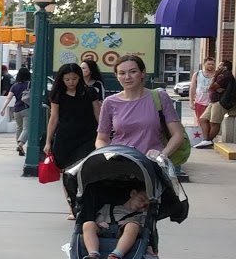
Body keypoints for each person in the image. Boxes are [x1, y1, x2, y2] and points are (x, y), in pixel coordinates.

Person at [96, 54, 187, 186]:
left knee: (153, 204)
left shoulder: (159, 97)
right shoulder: (110, 103)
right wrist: (108, 155)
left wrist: (162, 155)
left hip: (153, 167)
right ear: (116, 76)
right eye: (122, 73)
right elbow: (101, 138)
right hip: (120, 168)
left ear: (142, 73)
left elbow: (177, 135)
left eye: (133, 72)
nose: (127, 77)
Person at [45, 63, 101, 216]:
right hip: (65, 138)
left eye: (75, 79)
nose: (71, 82)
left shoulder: (89, 92)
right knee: (68, 173)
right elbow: (54, 118)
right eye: (67, 79)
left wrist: (104, 133)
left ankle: (85, 203)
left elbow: (98, 113)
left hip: (87, 137)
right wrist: (48, 141)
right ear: (61, 79)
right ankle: (73, 205)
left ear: (80, 78)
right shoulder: (58, 95)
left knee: (82, 170)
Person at [80, 185, 149, 259]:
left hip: (125, 232)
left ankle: (116, 256)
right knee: (88, 224)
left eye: (146, 206)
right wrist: (99, 223)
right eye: (142, 199)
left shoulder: (142, 215)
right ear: (133, 193)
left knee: (133, 226)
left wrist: (131, 222)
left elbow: (143, 229)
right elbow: (99, 219)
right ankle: (93, 255)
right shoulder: (108, 207)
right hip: (104, 229)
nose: (142, 205)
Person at [197, 60, 235, 147]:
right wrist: (214, 86)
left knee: (214, 123)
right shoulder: (221, 76)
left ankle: (208, 141)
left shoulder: (226, 76)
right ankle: (206, 140)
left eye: (219, 66)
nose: (217, 67)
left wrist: (215, 76)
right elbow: (211, 88)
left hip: (220, 102)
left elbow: (211, 87)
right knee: (203, 119)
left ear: (224, 67)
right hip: (213, 101)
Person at [9, 66, 32, 155]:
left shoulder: (15, 85)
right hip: (26, 108)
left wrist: (3, 108)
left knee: (19, 128)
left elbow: (9, 97)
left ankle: (20, 147)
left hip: (16, 109)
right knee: (27, 128)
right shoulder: (30, 84)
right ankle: (21, 144)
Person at [191, 56, 217, 132]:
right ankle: (202, 138)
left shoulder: (217, 74)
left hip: (212, 102)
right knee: (201, 121)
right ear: (204, 64)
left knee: (211, 122)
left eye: (212, 64)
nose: (211, 66)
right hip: (200, 102)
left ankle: (209, 138)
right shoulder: (197, 74)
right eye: (209, 64)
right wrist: (191, 102)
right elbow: (192, 88)